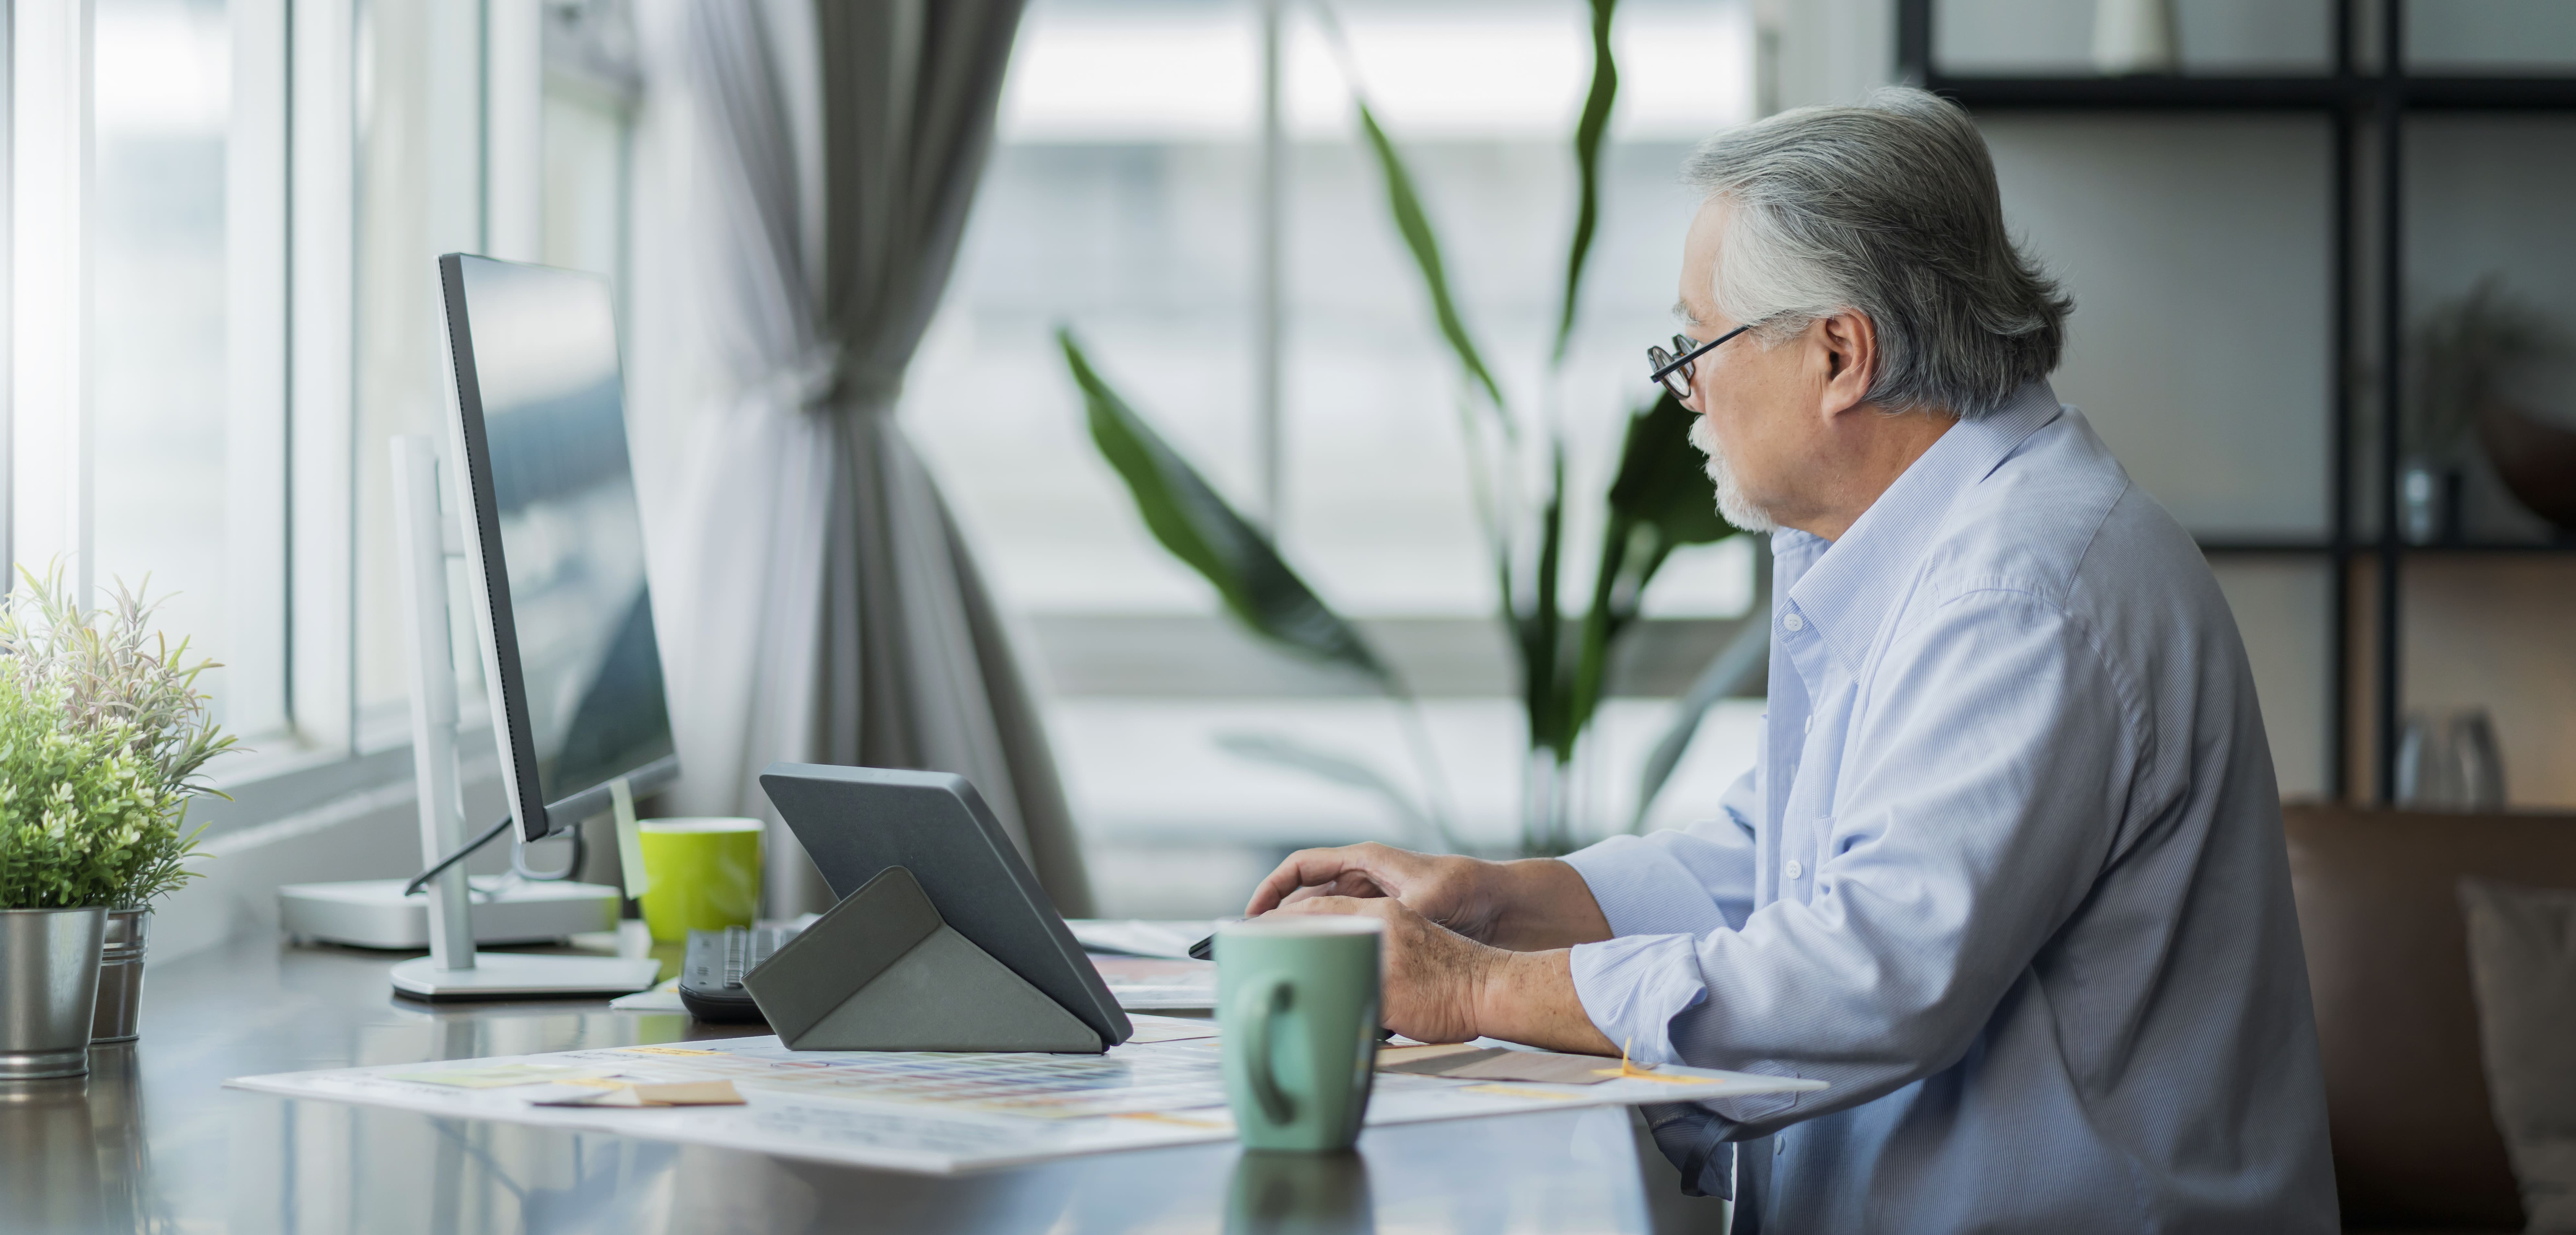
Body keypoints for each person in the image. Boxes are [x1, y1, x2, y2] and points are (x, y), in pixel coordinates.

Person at [1243, 87, 2337, 1232]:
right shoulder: (1920, 546)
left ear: (1838, 354)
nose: (1686, 392)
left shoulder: (2023, 593)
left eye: (1697, 343)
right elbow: (1780, 862)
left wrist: (1470, 989)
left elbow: (1871, 969)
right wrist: (1500, 903)